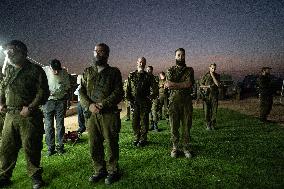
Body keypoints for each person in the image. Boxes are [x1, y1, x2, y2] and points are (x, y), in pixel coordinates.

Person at [0, 40, 49, 189]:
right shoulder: (8, 70)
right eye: (7, 51)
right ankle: (4, 176)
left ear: (22, 52)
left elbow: (43, 92)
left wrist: (31, 107)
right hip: (10, 115)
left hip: (28, 115)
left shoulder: (35, 70)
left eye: (12, 51)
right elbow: (2, 87)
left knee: (31, 146)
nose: (8, 54)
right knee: (7, 147)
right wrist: (1, 103)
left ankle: (35, 176)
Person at [79, 43, 124, 185]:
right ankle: (99, 170)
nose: (98, 54)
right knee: (94, 144)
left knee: (111, 143)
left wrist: (102, 104)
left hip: (109, 114)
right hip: (92, 115)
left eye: (101, 51)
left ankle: (113, 171)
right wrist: (89, 105)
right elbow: (81, 91)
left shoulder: (114, 72)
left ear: (107, 54)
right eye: (96, 51)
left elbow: (118, 92)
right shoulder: (87, 72)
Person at [164, 48, 194, 158]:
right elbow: (168, 84)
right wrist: (182, 84)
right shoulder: (170, 69)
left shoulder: (189, 70)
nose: (180, 57)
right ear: (175, 57)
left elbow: (189, 84)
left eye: (182, 55)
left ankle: (186, 147)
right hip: (173, 103)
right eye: (178, 55)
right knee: (174, 127)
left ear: (185, 56)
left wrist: (174, 84)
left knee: (186, 126)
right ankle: (175, 147)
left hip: (186, 103)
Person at [126, 57, 158, 147]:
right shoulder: (131, 75)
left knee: (144, 121)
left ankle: (143, 139)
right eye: (140, 62)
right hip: (134, 101)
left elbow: (155, 90)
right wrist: (129, 100)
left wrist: (150, 98)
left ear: (145, 64)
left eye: (143, 62)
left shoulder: (149, 76)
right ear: (137, 63)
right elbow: (127, 89)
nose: (141, 64)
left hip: (144, 102)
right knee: (135, 121)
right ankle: (136, 137)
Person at [43, 59, 71, 156]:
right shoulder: (44, 70)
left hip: (60, 101)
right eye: (54, 70)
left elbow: (68, 87)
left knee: (60, 124)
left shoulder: (64, 72)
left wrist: (67, 100)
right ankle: (50, 148)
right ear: (50, 67)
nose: (56, 72)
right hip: (48, 102)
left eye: (58, 70)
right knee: (48, 125)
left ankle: (60, 147)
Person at [199, 63, 220, 130]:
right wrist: (206, 87)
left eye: (214, 68)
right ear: (209, 67)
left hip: (214, 95)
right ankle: (208, 125)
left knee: (214, 111)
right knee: (206, 111)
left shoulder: (217, 75)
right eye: (212, 68)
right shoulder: (205, 76)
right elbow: (201, 85)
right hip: (206, 96)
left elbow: (217, 84)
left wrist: (212, 75)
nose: (213, 70)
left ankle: (213, 125)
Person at [146, 66, 159, 131]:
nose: (148, 71)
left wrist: (152, 95)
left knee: (154, 111)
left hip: (154, 97)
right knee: (149, 112)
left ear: (152, 70)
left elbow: (156, 88)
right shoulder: (144, 78)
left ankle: (155, 126)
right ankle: (152, 125)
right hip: (147, 98)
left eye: (149, 70)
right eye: (147, 70)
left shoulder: (155, 78)